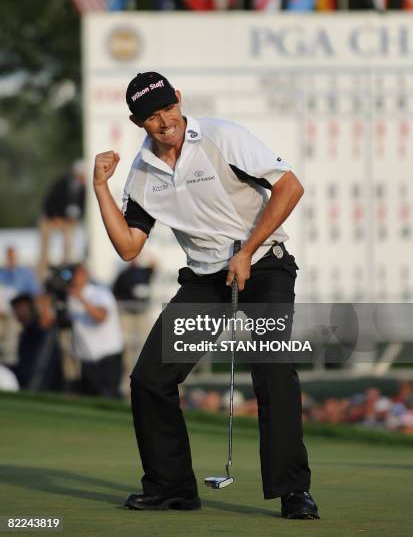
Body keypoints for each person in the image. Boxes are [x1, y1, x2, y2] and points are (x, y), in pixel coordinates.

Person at [93, 71, 319, 519]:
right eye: (152, 116)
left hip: (265, 263)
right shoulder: (141, 171)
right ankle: (171, 487)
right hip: (204, 281)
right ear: (138, 122)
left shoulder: (221, 136)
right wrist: (101, 187)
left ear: (179, 99)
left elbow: (290, 186)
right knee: (149, 380)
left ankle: (293, 492)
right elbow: (129, 246)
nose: (164, 122)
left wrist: (249, 250)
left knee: (272, 370)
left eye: (168, 109)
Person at [66, 263, 124, 399]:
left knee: (108, 399)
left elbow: (101, 316)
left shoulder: (100, 293)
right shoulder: (69, 296)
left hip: (107, 360)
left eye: (76, 274)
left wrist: (80, 298)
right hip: (86, 360)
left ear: (85, 275)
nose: (73, 278)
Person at [38, 160, 86, 281]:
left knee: (68, 243)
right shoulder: (63, 183)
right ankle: (42, 274)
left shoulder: (82, 188)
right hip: (51, 217)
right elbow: (50, 199)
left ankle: (65, 269)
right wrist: (54, 216)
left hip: (66, 220)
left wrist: (73, 218)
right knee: (45, 247)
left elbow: (80, 206)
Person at [9, 293, 62, 391]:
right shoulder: (26, 332)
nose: (18, 313)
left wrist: (45, 305)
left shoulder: (39, 327)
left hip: (44, 384)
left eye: (21, 308)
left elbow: (47, 322)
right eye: (16, 309)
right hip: (25, 381)